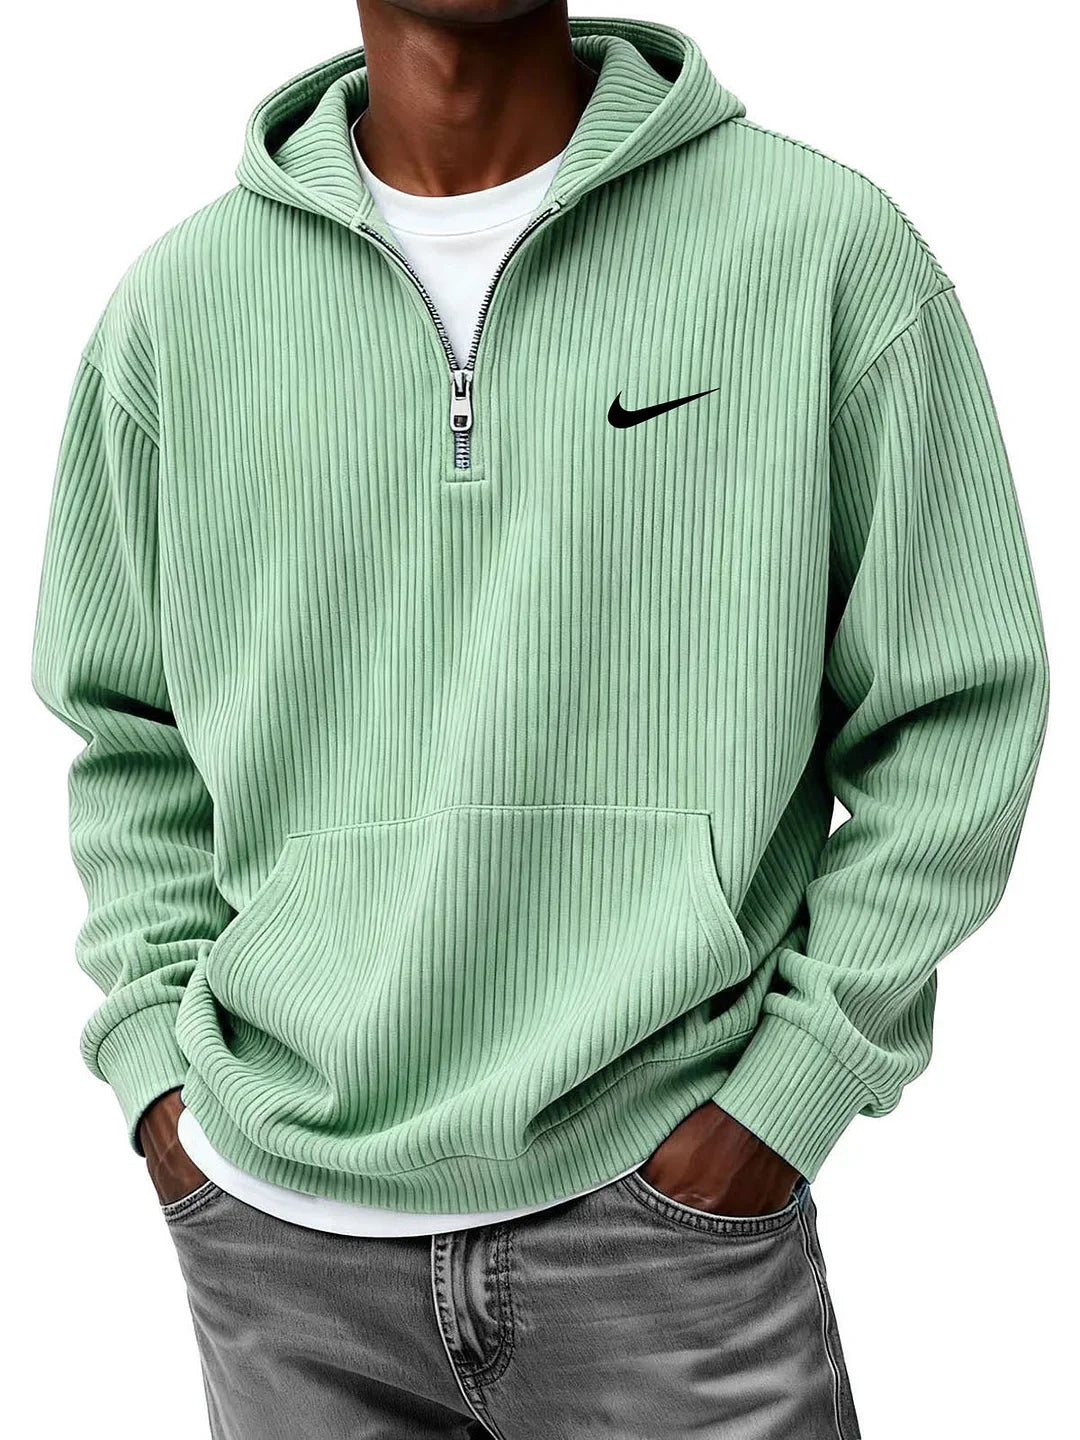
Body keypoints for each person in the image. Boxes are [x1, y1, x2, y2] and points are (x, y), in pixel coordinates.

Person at [30, 2, 1049, 1436]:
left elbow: (956, 705)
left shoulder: (818, 252)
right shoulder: (175, 314)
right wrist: (159, 1083)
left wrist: (791, 1091)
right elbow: (129, 737)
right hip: (281, 1236)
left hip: (664, 1218)